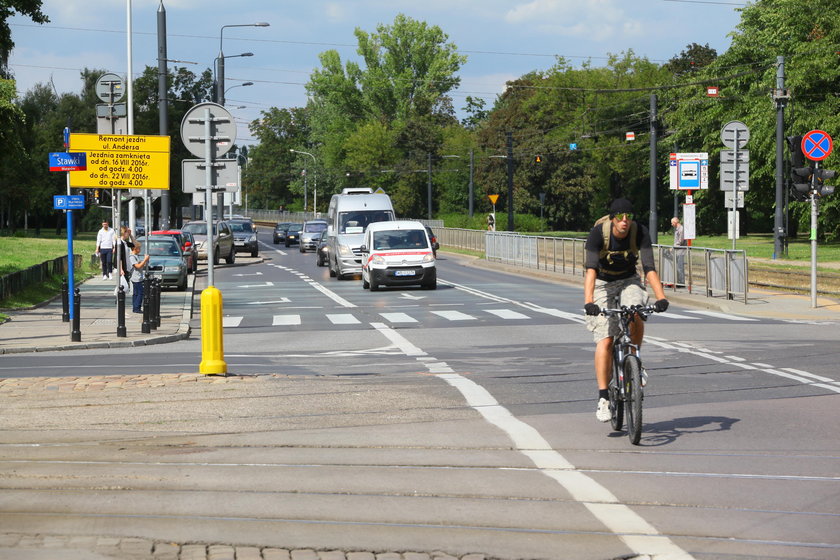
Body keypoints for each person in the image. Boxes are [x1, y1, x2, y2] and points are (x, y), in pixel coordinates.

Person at [583, 198, 669, 422]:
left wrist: (661, 297)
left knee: (636, 311)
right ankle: (603, 399)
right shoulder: (597, 234)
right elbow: (591, 270)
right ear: (612, 218)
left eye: (628, 217)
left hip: (629, 279)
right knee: (606, 339)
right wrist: (589, 302)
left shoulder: (639, 232)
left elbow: (649, 268)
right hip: (603, 282)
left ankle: (635, 360)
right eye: (620, 217)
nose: (624, 221)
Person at [128, 242, 150, 314]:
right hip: (136, 278)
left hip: (138, 277)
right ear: (135, 248)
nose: (140, 249)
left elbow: (140, 265)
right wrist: (144, 260)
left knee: (136, 293)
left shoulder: (136, 256)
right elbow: (138, 266)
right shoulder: (132, 257)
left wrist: (144, 261)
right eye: (139, 248)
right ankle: (137, 307)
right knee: (140, 293)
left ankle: (135, 307)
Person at [671, 217, 687, 286]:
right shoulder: (677, 229)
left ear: (675, 222)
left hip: (681, 250)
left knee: (680, 267)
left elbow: (681, 241)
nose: (671, 224)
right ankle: (679, 281)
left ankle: (681, 283)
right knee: (678, 266)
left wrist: (673, 247)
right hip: (677, 250)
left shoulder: (681, 229)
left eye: (672, 223)